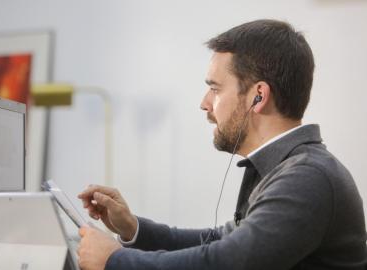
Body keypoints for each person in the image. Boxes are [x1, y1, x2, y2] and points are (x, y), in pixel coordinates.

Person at [77, 19, 367, 270]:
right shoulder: (285, 167)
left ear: (259, 96)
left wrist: (114, 262)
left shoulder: (307, 177)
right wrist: (132, 228)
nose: (204, 104)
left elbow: (226, 263)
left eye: (215, 89)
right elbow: (221, 242)